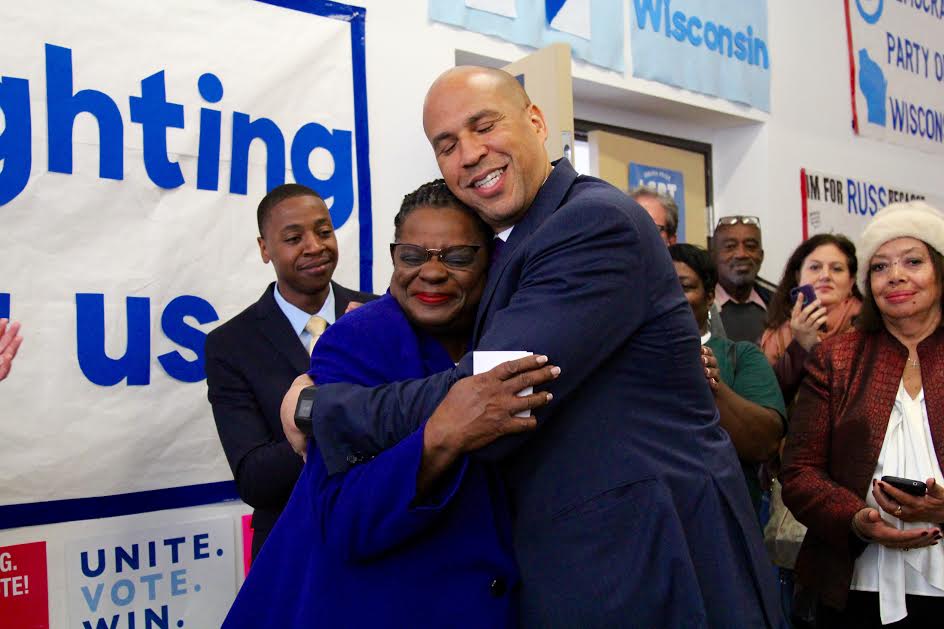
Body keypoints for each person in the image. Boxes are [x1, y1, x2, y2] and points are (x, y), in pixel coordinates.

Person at [287, 66, 781, 627]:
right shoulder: (524, 244)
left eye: (484, 125)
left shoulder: (590, 224)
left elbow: (490, 394)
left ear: (537, 122)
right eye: (446, 145)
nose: (469, 153)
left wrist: (316, 407)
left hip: (646, 567)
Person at [223, 180, 552, 628]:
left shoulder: (511, 332)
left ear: (492, 259)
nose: (431, 273)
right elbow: (345, 522)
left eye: (457, 256)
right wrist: (441, 436)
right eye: (412, 256)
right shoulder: (358, 338)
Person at [781, 201, 944, 627]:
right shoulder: (838, 357)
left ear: (940, 272)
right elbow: (800, 471)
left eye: (913, 261)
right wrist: (855, 519)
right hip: (853, 583)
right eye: (880, 267)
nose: (896, 276)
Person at [204, 183, 376, 559]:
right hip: (292, 549)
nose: (314, 246)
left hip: (384, 530)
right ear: (265, 249)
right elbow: (254, 478)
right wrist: (345, 423)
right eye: (294, 237)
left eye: (324, 231)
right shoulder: (231, 345)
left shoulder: (381, 314)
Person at [670, 243, 785, 514]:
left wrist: (711, 386)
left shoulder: (740, 356)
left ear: (710, 296)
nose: (670, 297)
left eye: (684, 287)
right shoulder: (632, 356)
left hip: (723, 517)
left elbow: (765, 443)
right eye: (662, 286)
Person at [760, 234, 862, 402]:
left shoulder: (871, 328)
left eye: (836, 269)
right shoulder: (777, 333)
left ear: (851, 282)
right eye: (815, 267)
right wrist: (800, 346)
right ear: (798, 277)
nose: (825, 276)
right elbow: (768, 401)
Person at [712, 215, 772, 343]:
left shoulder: (778, 305)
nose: (741, 254)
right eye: (730, 246)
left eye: (750, 246)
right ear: (713, 255)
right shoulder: (698, 306)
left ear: (761, 256)